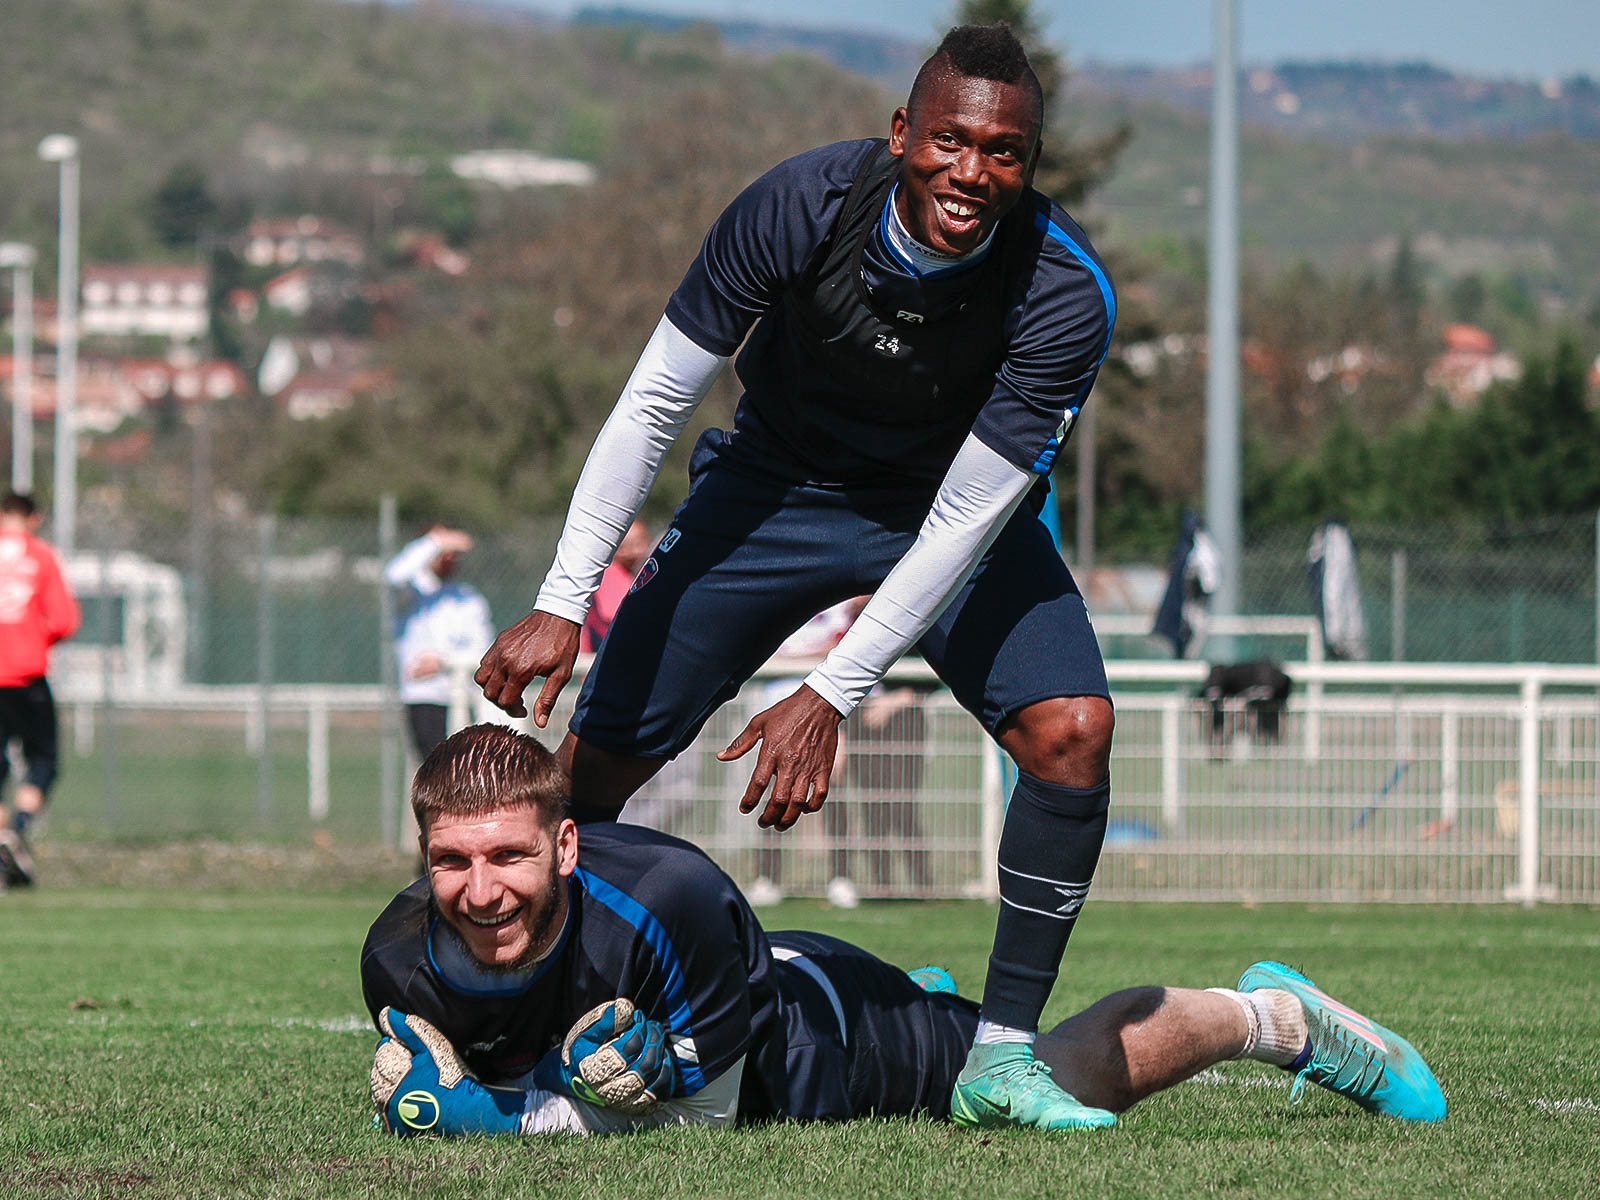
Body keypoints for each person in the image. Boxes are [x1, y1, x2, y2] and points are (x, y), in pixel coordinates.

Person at [475, 24, 1122, 1129]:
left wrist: (831, 690)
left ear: (1029, 164)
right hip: (772, 487)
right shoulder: (797, 205)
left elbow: (967, 515)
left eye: (1005, 153)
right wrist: (561, 597)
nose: (972, 173)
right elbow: (654, 402)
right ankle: (521, 1021)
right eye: (950, 140)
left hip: (943, 512)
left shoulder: (1063, 292)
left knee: (1072, 730)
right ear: (900, 134)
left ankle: (1000, 1057)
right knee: (590, 774)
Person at [363, 724, 1447, 1137]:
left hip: (811, 1044)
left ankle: (1275, 1017)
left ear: (566, 847)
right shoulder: (395, 954)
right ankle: (918, 987)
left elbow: (699, 1116)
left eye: (507, 855)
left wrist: (488, 1124)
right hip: (752, 996)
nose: (480, 889)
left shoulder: (672, 897)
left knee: (1046, 1076)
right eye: (451, 861)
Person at [0, 490, 81, 888]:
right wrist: (33, 640)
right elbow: (65, 619)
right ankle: (15, 829)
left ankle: (2, 842)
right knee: (43, 760)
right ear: (34, 518)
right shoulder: (41, 555)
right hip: (27, 676)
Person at [384, 524, 495, 761]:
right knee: (435, 771)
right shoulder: (410, 593)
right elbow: (394, 575)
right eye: (442, 552)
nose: (447, 558)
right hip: (425, 697)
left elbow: (483, 649)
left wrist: (444, 663)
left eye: (452, 553)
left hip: (462, 698)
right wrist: (435, 541)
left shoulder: (469, 599)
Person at [579, 519, 653, 654]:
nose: (644, 549)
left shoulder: (630, 573)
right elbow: (615, 613)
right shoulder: (611, 574)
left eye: (644, 542)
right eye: (637, 544)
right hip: (611, 656)